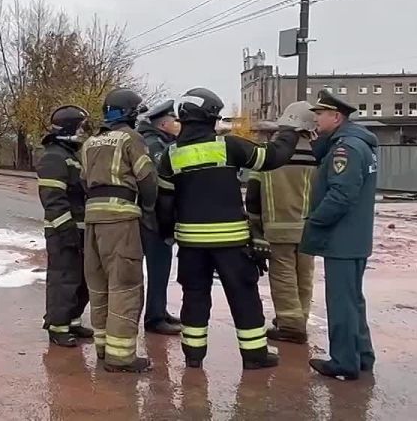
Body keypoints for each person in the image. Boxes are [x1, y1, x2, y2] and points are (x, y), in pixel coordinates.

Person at [155, 88, 298, 370]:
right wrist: (290, 131)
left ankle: (193, 356)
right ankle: (255, 355)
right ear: (211, 117)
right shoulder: (229, 146)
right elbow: (273, 158)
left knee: (194, 297)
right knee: (243, 296)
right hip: (231, 242)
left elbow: (164, 203)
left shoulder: (170, 155)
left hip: (191, 244)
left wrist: (166, 233)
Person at [302, 90, 378, 380]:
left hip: (342, 239)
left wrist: (315, 221)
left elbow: (342, 194)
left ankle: (344, 361)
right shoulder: (357, 144)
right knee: (353, 300)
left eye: (319, 115)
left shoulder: (345, 149)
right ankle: (362, 355)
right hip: (354, 238)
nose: (315, 120)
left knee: (341, 302)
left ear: (336, 117)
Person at [81, 88, 157, 373]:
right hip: (121, 221)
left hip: (93, 220)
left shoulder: (89, 143)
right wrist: (149, 210)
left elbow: (83, 182)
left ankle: (103, 349)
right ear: (131, 114)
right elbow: (147, 179)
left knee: (98, 285)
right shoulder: (131, 139)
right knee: (125, 286)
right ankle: (121, 357)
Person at [246, 101, 319, 344]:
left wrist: (255, 226)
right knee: (305, 274)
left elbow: (253, 193)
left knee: (283, 275)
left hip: (278, 225)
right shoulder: (319, 152)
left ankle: (290, 325)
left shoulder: (271, 152)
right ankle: (301, 318)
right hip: (309, 226)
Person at [38, 105, 93, 347]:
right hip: (62, 231)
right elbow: (52, 199)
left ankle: (72, 320)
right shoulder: (54, 157)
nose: (83, 133)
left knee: (81, 279)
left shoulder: (68, 155)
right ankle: (57, 326)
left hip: (78, 229)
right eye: (81, 128)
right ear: (69, 128)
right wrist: (66, 230)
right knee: (64, 278)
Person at [136, 99, 182, 335]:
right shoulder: (154, 144)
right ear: (163, 124)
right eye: (174, 120)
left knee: (162, 267)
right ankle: (154, 317)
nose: (177, 123)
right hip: (151, 217)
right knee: (157, 266)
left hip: (156, 216)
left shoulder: (163, 142)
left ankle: (159, 310)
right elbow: (155, 183)